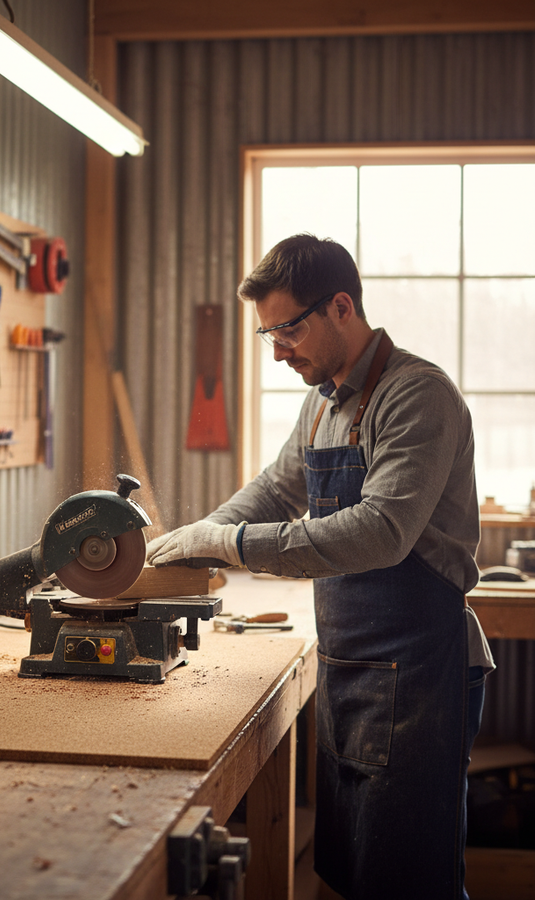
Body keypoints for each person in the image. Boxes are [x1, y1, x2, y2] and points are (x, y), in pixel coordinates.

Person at [147, 234, 494, 900]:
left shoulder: (415, 396)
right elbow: (278, 489)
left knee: (410, 883)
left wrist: (234, 545)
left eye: (288, 330)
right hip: (349, 672)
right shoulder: (323, 399)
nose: (278, 351)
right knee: (359, 874)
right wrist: (206, 532)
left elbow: (381, 533)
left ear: (341, 307)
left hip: (419, 677)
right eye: (267, 335)